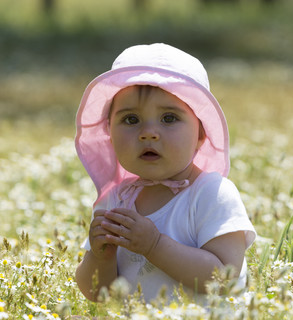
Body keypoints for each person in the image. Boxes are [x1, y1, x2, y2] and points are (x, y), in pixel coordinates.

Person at [74, 43, 256, 302]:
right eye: (131, 120)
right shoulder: (115, 201)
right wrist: (100, 256)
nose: (148, 132)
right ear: (109, 135)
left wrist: (154, 245)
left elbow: (224, 278)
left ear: (201, 134)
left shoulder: (211, 193)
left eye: (169, 118)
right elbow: (99, 295)